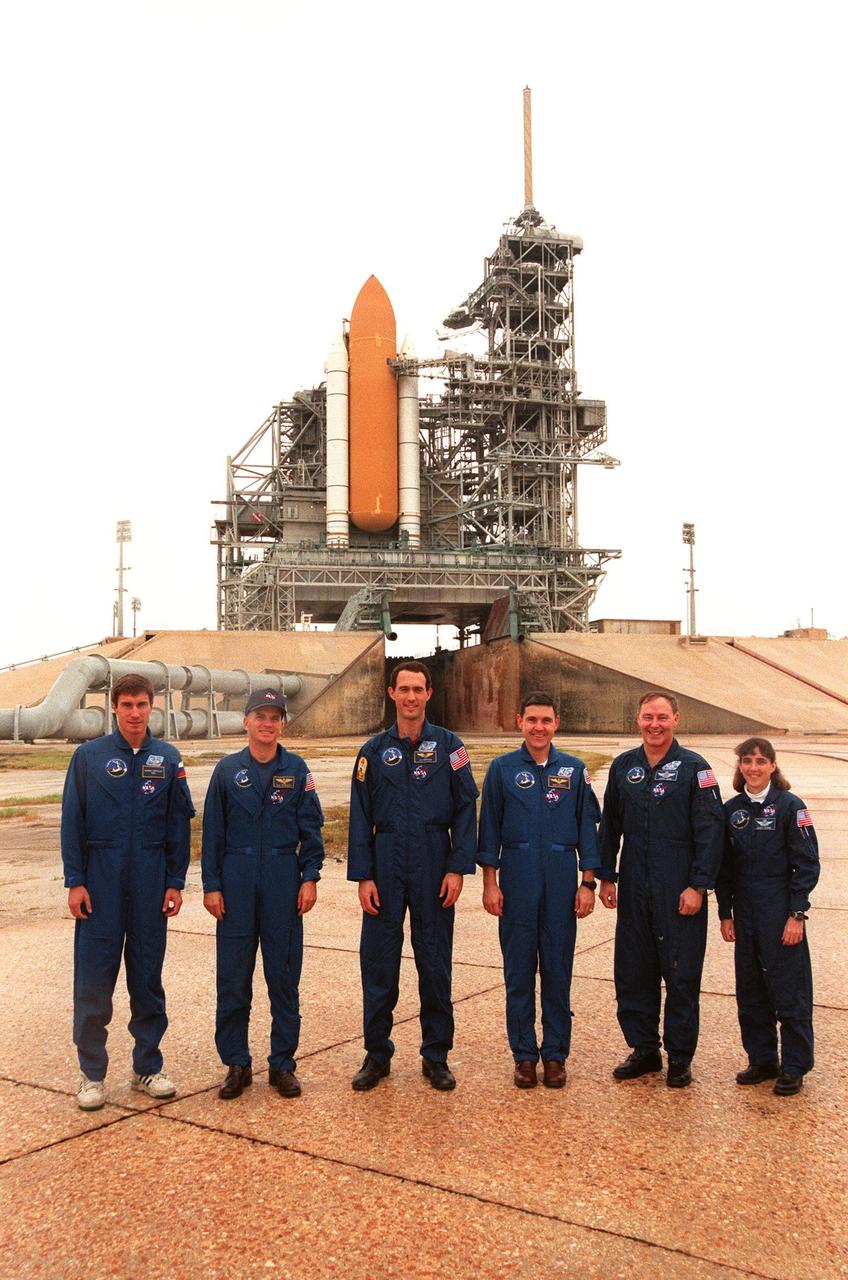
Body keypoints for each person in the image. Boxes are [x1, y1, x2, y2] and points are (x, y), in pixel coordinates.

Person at [61, 673, 194, 1110]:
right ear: (114, 708)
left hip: (150, 881)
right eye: (127, 705)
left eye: (142, 704)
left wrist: (175, 881)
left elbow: (179, 825)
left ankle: (146, 1067)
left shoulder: (168, 758)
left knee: (147, 980)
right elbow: (72, 823)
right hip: (100, 881)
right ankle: (91, 1074)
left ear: (151, 706)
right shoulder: (88, 757)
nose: (135, 712)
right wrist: (75, 881)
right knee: (95, 980)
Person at [347, 661, 479, 1092]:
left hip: (433, 858)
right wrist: (364, 875)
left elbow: (465, 809)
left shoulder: (450, 746)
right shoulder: (371, 752)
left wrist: (458, 866)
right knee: (379, 962)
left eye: (417, 690)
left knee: (435, 961)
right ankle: (376, 1054)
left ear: (428, 694)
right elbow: (359, 817)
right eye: (403, 689)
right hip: (385, 861)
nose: (410, 697)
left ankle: (436, 1054)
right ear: (391, 694)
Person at [202, 688, 324, 1100]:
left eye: (275, 717)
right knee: (233, 981)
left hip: (282, 881)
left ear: (282, 724)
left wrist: (309, 877)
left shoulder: (297, 769)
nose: (267, 724)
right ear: (246, 721)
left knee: (284, 980)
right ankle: (237, 1064)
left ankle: (282, 1065)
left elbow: (312, 829)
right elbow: (212, 834)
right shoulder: (227, 770)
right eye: (260, 716)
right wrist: (212, 886)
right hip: (235, 881)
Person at [598, 692, 723, 1087]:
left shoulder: (695, 768)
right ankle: (645, 1048)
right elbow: (611, 825)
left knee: (681, 972)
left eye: (662, 717)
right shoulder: (623, 767)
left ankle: (681, 1056)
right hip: (635, 879)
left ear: (676, 720)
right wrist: (606, 877)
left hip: (678, 882)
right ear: (637, 719)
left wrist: (699, 886)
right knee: (634, 970)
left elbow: (711, 831)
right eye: (648, 717)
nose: (655, 724)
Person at [478, 692, 601, 1089]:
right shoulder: (501, 770)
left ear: (556, 723)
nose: (538, 727)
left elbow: (587, 828)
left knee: (557, 971)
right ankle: (525, 1056)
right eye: (531, 720)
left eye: (546, 720)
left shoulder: (574, 770)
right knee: (518, 972)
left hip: (562, 879)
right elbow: (490, 829)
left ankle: (555, 1055)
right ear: (519, 722)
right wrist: (490, 884)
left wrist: (587, 883)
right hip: (517, 878)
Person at [716, 738, 819, 1096]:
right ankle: (761, 1059)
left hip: (779, 907)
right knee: (751, 989)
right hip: (745, 910)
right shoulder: (731, 811)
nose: (754, 767)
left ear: (773, 766)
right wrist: (725, 913)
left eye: (761, 761)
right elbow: (724, 869)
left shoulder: (791, 807)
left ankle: (794, 1064)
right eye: (747, 761)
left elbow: (806, 864)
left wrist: (797, 913)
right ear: (740, 766)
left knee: (789, 988)